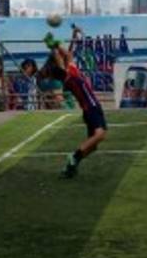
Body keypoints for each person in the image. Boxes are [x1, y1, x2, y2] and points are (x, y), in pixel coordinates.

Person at [35, 33, 107, 177]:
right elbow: (67, 55)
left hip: (91, 108)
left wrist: (54, 47)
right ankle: (74, 157)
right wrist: (55, 46)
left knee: (93, 146)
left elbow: (65, 56)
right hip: (91, 108)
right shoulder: (71, 75)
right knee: (100, 135)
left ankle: (71, 166)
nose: (66, 61)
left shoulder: (68, 78)